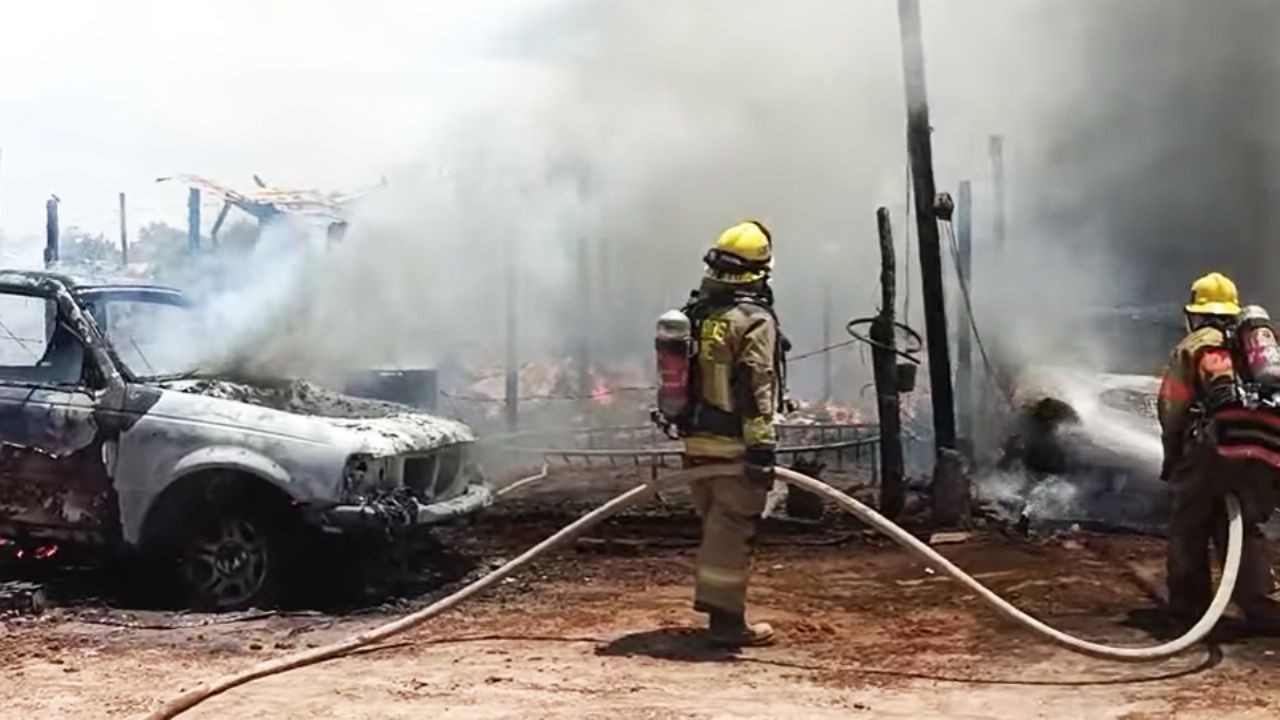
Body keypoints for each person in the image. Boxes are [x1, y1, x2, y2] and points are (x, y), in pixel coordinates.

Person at [679, 220, 788, 647]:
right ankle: (726, 624)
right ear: (760, 270)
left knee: (716, 525)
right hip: (733, 443)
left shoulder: (697, 313)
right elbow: (755, 383)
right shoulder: (753, 320)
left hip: (695, 440)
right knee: (733, 527)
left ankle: (720, 612)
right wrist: (761, 446)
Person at [1158, 272, 1280, 632]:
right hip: (1264, 441)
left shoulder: (1196, 345)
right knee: (1241, 522)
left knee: (1189, 522)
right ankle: (1259, 603)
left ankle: (1187, 608)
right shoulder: (1252, 346)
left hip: (1218, 440)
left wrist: (1174, 454)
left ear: (1196, 312)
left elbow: (1173, 408)